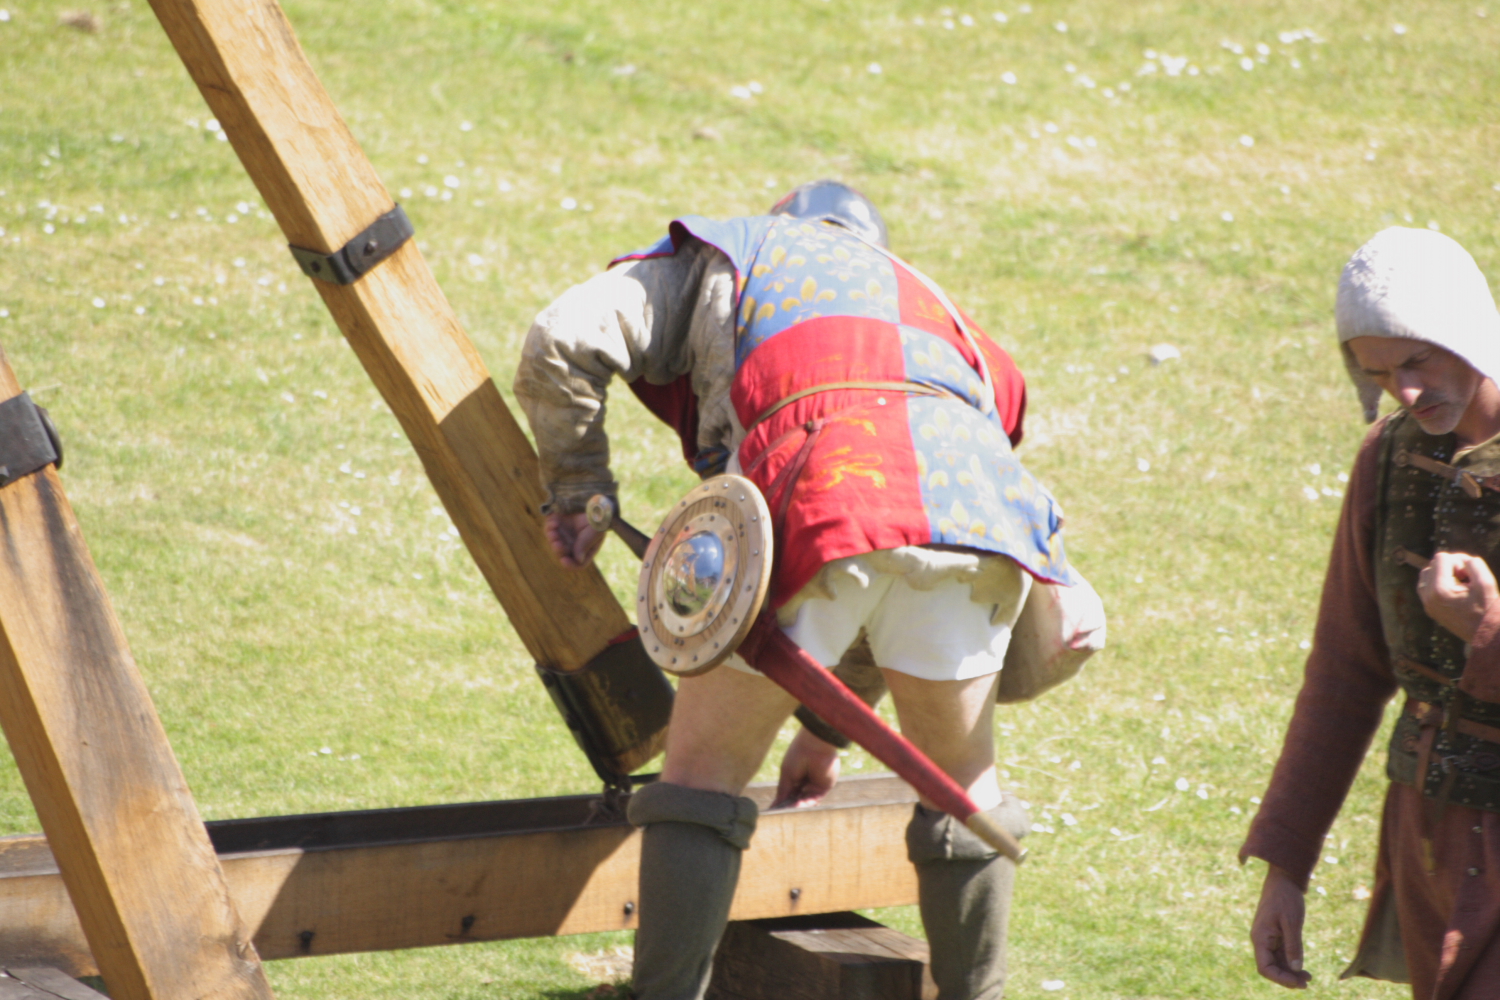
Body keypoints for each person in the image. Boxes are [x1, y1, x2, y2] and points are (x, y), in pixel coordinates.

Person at [514, 180, 1076, 1000]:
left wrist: (576, 489)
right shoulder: (945, 313)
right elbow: (899, 534)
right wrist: (825, 732)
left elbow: (561, 337)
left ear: (781, 223)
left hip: (813, 495)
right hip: (972, 520)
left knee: (700, 780)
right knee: (964, 794)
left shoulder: (736, 252)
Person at [1242, 227, 1500, 1000]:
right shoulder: (1386, 458)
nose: (1407, 393)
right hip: (1430, 839)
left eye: (1418, 360)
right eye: (1380, 372)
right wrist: (1287, 863)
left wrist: (1486, 636)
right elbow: (1346, 668)